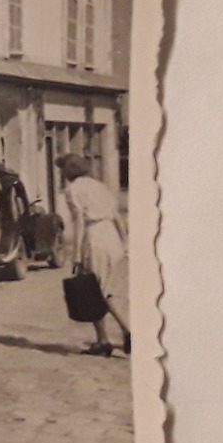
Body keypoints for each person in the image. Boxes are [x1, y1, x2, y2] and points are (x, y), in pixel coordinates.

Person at [56, 153, 131, 357]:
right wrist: (125, 242)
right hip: (112, 237)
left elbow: (80, 221)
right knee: (99, 288)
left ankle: (128, 331)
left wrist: (77, 253)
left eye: (62, 169)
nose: (61, 173)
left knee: (98, 289)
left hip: (94, 237)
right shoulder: (99, 186)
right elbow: (117, 216)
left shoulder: (73, 190)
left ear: (68, 170)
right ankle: (102, 340)